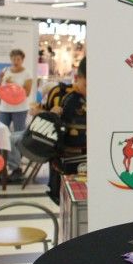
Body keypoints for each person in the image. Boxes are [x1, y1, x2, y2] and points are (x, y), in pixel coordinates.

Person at [47, 57, 87, 204]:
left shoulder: (105, 97)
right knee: (65, 202)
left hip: (93, 162)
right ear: (77, 77)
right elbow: (41, 117)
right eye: (86, 85)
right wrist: (52, 114)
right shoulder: (59, 93)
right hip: (64, 162)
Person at [0, 49, 32, 181]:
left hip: (20, 109)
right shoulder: (5, 71)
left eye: (18, 59)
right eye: (13, 58)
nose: (15, 61)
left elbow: (27, 93)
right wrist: (0, 79)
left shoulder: (27, 73)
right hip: (4, 108)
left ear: (22, 60)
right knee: (1, 136)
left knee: (17, 138)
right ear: (10, 59)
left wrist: (13, 84)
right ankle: (0, 167)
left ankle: (17, 168)